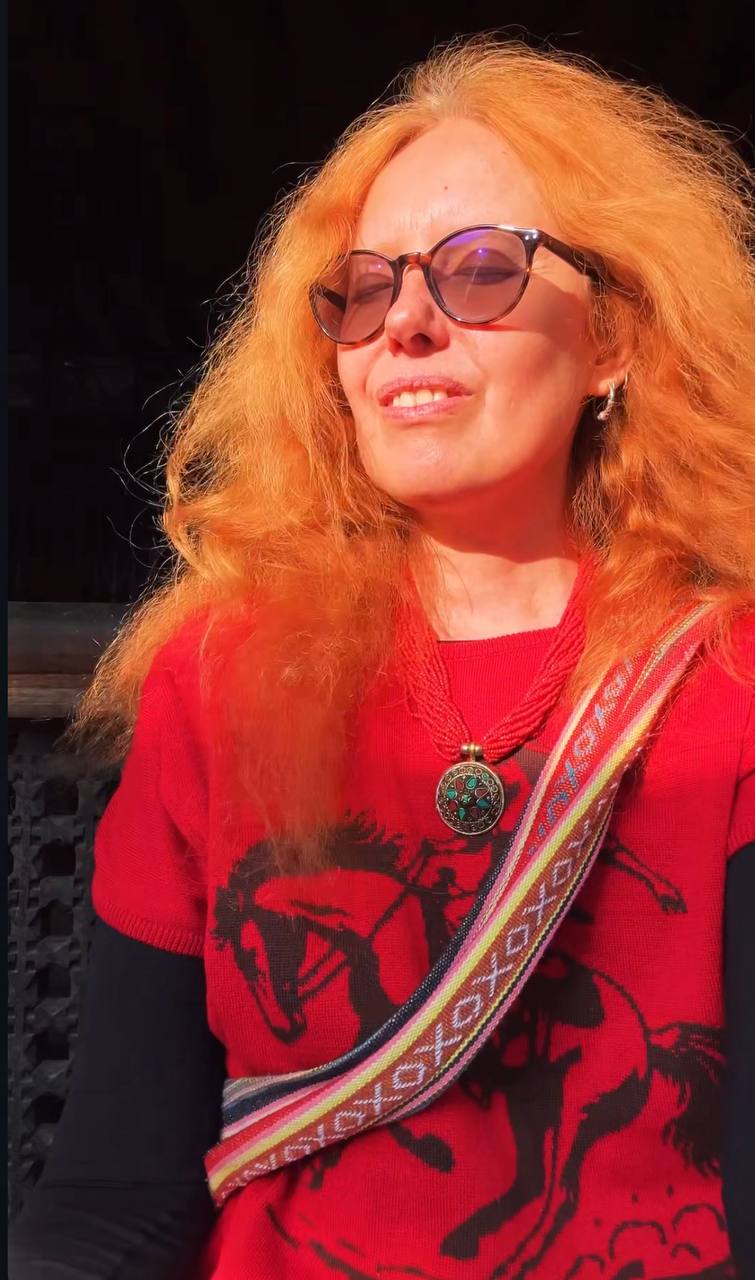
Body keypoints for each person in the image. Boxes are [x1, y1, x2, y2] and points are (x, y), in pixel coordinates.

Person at [10, 34, 755, 1280]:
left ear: (614, 341)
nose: (403, 321)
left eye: (480, 270)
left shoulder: (729, 686)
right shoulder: (220, 675)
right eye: (361, 288)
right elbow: (116, 1195)